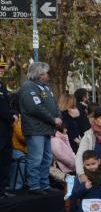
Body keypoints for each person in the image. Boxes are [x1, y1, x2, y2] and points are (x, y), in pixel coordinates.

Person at [19, 62, 61, 194]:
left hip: (47, 129)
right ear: (39, 74)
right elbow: (35, 108)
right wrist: (53, 119)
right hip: (35, 129)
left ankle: (44, 184)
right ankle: (34, 186)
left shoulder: (46, 87)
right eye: (45, 73)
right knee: (36, 158)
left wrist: (58, 116)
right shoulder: (28, 87)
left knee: (47, 158)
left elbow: (55, 105)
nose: (48, 75)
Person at [0, 58, 14, 197]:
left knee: (5, 160)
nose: (2, 70)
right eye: (0, 67)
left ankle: (2, 188)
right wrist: (11, 118)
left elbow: (8, 105)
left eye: (3, 67)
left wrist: (14, 115)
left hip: (5, 130)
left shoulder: (2, 86)